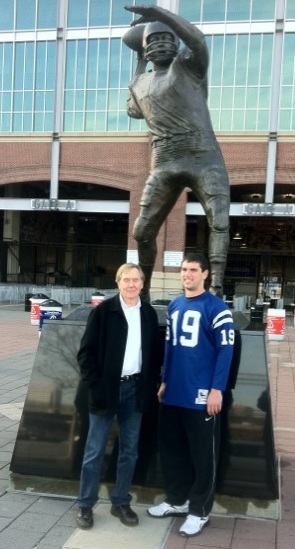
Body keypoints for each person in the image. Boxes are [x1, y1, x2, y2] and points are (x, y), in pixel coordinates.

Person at [124, 5, 230, 301]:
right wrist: (137, 63)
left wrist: (160, 14)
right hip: (165, 162)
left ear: (176, 46)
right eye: (153, 41)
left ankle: (216, 288)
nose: (160, 44)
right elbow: (133, 110)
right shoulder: (141, 82)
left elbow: (196, 38)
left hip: (203, 155)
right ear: (145, 50)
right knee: (142, 230)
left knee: (219, 221)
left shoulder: (188, 66)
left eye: (166, 40)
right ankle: (142, 291)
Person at [147, 253, 234, 537]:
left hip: (201, 396)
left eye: (193, 270)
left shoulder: (217, 307)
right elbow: (170, 347)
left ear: (205, 274)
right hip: (174, 392)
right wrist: (164, 380)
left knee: (202, 457)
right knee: (173, 452)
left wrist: (216, 389)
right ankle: (176, 500)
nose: (188, 274)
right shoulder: (174, 304)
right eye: (184, 269)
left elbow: (226, 351)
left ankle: (199, 511)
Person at [76, 263, 159, 529]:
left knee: (130, 451)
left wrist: (151, 384)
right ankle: (85, 506)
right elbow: (85, 354)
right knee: (94, 451)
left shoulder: (148, 314)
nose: (131, 284)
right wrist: (96, 386)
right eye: (126, 280)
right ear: (118, 282)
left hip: (135, 390)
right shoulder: (103, 312)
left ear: (143, 284)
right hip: (106, 390)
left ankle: (120, 502)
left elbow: (154, 355)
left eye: (136, 280)